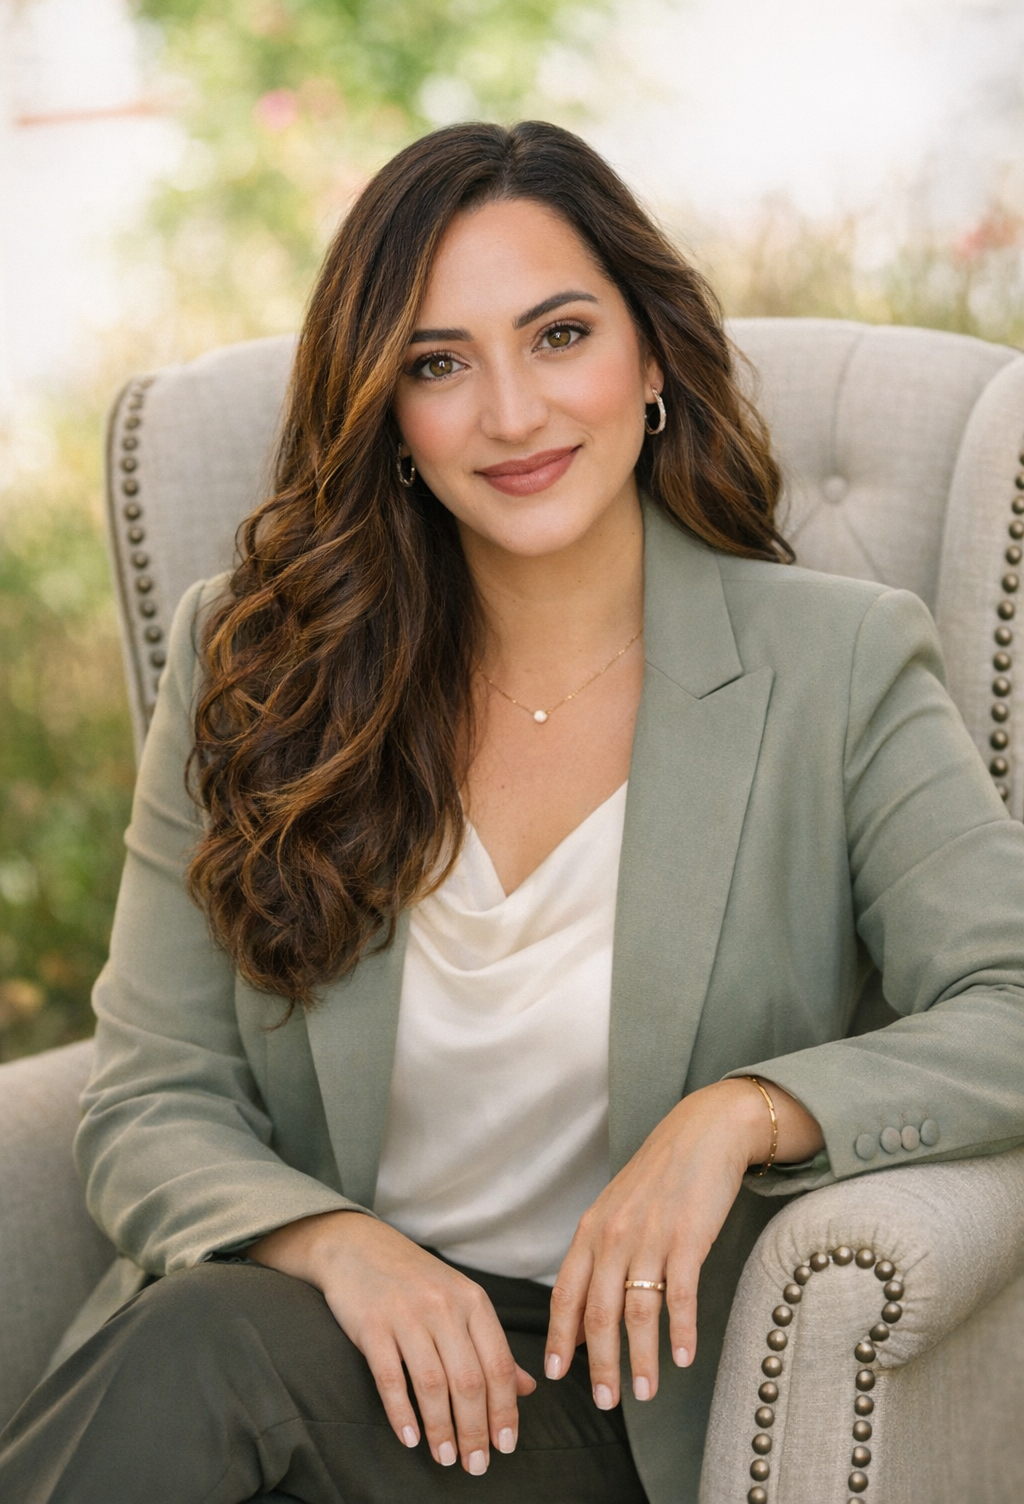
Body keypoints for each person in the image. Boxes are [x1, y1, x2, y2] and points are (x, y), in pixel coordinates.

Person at [1, 120, 1022, 1504]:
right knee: (210, 1349)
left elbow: (1010, 995)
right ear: (388, 413)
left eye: (560, 336)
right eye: (439, 363)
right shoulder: (259, 664)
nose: (513, 413)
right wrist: (335, 1249)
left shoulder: (834, 665)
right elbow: (149, 1095)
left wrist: (743, 1113)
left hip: (610, 1409)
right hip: (317, 1339)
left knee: (202, 1358)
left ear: (650, 359)